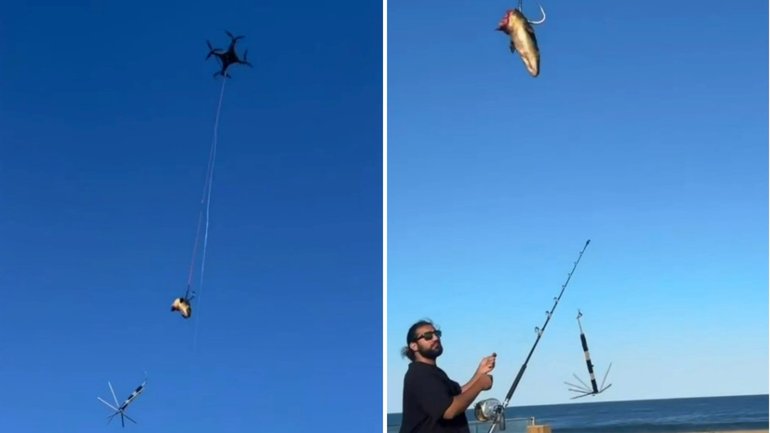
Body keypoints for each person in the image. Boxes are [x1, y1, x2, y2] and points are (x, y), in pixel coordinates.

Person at [399, 319, 497, 433]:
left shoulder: (432, 372)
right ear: (414, 346)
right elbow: (449, 410)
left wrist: (480, 373)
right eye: (428, 336)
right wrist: (480, 384)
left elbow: (458, 393)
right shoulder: (419, 375)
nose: (435, 338)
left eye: (437, 334)